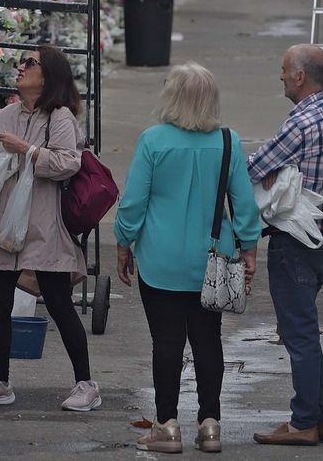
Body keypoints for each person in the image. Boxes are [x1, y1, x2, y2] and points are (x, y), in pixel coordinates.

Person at [115, 63, 261, 454]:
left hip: (160, 260)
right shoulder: (227, 142)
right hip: (211, 261)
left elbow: (133, 202)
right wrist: (249, 247)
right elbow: (244, 204)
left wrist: (123, 242)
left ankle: (166, 425)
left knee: (166, 342)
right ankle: (210, 423)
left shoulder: (153, 140)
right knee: (208, 341)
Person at [0, 45, 100, 413]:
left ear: (48, 77)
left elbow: (69, 162)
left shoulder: (60, 118)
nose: (21, 68)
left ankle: (86, 383)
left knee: (57, 302)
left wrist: (28, 150)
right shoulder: (7, 113)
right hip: (6, 223)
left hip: (43, 223)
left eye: (30, 63)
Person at [247, 45, 323, 447]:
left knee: (299, 333)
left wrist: (271, 174)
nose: (280, 76)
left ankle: (304, 421)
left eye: (284, 69)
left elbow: (253, 167)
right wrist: (281, 172)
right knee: (305, 329)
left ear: (300, 77)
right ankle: (322, 417)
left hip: (294, 239)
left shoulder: (302, 122)